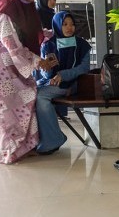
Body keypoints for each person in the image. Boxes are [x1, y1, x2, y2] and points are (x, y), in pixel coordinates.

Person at [0, 0, 57, 164]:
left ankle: (24, 147)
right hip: (3, 67)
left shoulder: (26, 8)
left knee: (26, 101)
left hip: (17, 66)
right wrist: (37, 61)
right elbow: (11, 44)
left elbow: (31, 33)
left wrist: (46, 36)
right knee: (6, 110)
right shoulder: (6, 9)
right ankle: (7, 151)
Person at [35, 11, 91, 154]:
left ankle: (53, 139)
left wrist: (63, 75)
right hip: (53, 84)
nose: (69, 27)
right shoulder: (48, 45)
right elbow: (45, 73)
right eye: (64, 24)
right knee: (31, 94)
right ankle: (39, 140)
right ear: (57, 26)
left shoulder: (82, 44)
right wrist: (48, 68)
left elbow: (84, 68)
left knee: (40, 97)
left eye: (72, 24)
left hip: (74, 84)